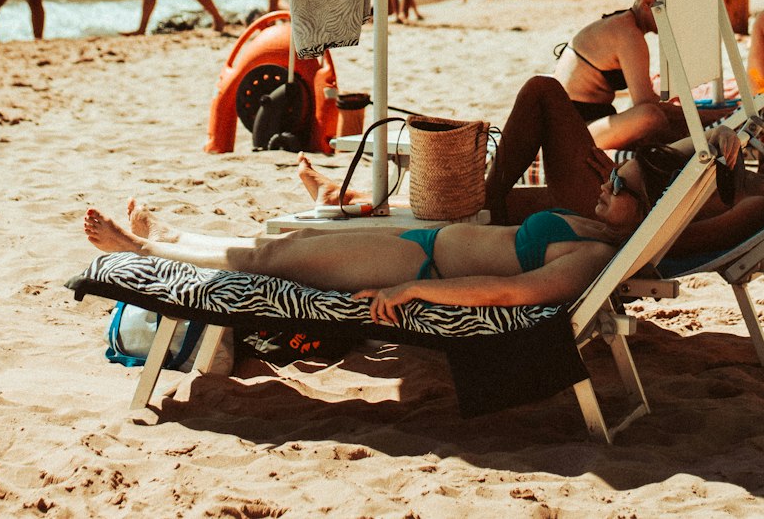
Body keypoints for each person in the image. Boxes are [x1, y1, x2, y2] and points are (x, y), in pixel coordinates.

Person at [83, 132, 696, 316]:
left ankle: (136, 247)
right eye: (613, 176)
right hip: (423, 241)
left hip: (417, 265)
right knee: (286, 241)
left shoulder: (595, 261)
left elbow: (511, 293)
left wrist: (415, 289)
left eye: (621, 188)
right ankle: (169, 238)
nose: (607, 186)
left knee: (266, 263)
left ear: (645, 213)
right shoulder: (591, 230)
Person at [293, 76, 761, 264]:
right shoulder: (747, 169)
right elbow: (679, 155)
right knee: (494, 209)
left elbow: (676, 240)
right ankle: (351, 201)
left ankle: (484, 196)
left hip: (619, 210)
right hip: (618, 188)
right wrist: (719, 135)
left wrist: (626, 199)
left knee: (542, 92)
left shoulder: (755, 204)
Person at [551, 0, 685, 149]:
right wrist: (706, 116)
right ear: (649, 2)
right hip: (572, 132)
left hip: (584, 122)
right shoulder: (629, 35)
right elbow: (646, 103)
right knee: (651, 116)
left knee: (658, 114)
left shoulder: (623, 22)